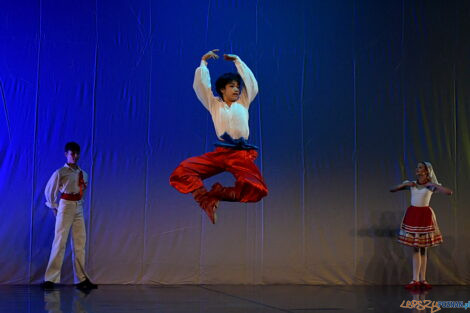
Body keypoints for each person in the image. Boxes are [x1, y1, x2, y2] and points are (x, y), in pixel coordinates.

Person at [170, 49, 268, 224]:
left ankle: (218, 193)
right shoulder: (215, 105)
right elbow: (202, 87)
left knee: (256, 188)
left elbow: (251, 84)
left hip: (240, 155)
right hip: (221, 153)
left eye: (237, 86)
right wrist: (203, 63)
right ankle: (205, 199)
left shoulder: (243, 102)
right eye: (232, 86)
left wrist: (238, 61)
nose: (236, 89)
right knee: (183, 171)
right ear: (222, 90)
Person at [41, 142, 97, 290]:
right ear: (66, 154)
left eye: (77, 153)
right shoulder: (60, 172)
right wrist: (55, 208)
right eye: (72, 153)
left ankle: (81, 279)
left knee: (80, 242)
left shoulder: (83, 173)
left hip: (78, 206)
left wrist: (79, 205)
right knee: (60, 241)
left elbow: (81, 191)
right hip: (65, 204)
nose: (75, 156)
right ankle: (50, 279)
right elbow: (50, 191)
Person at [390, 162, 453, 290]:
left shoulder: (430, 186)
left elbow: (449, 192)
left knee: (423, 248)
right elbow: (392, 189)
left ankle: (423, 279)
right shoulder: (412, 183)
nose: (417, 169)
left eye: (420, 167)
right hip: (413, 215)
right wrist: (405, 184)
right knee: (416, 247)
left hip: (424, 216)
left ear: (426, 171)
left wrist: (433, 184)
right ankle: (415, 279)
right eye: (417, 167)